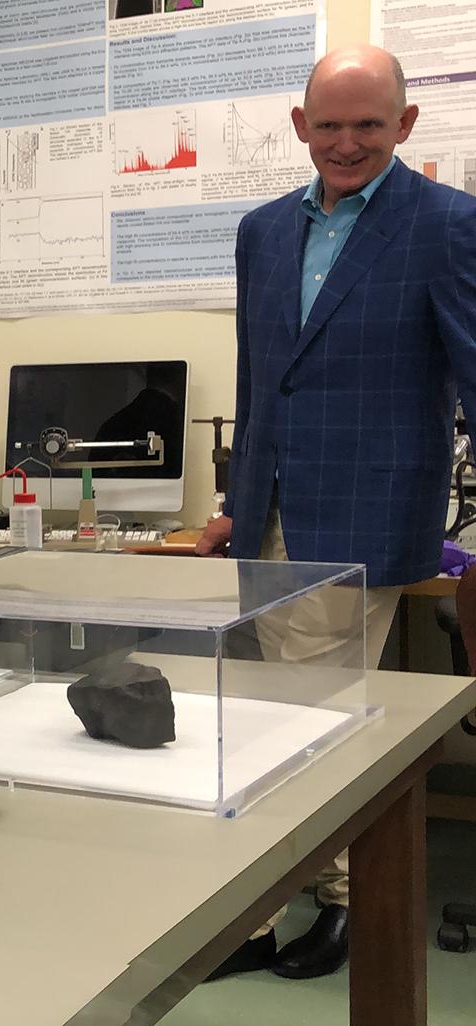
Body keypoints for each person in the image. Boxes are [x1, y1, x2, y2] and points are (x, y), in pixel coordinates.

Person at [198, 43, 476, 980]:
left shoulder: (447, 226)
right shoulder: (261, 231)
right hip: (270, 509)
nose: (346, 143)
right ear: (299, 127)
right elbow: (258, 373)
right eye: (330, 124)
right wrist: (239, 501)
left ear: (404, 125)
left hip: (363, 511)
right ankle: (312, 901)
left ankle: (307, 908)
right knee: (284, 711)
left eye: (368, 124)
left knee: (304, 717)